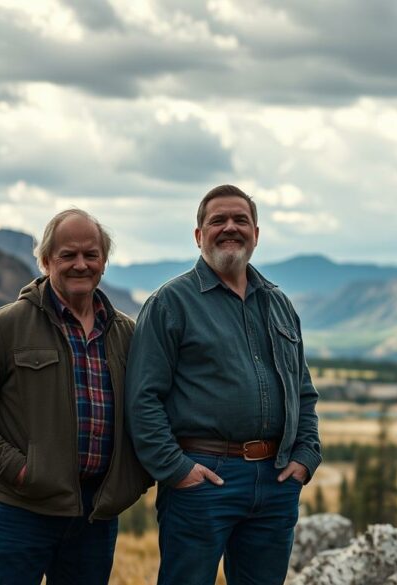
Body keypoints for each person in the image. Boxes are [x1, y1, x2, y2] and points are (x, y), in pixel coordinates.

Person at [0, 209, 152, 585]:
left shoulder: (127, 334)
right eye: (68, 255)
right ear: (46, 260)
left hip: (96, 516)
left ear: (104, 261)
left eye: (91, 254)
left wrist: (135, 479)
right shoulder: (6, 326)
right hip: (24, 510)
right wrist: (19, 470)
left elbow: (150, 410)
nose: (80, 264)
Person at [126, 184, 321, 585]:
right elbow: (143, 399)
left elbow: (302, 390)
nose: (230, 228)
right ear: (199, 236)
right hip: (203, 479)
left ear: (256, 234)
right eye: (218, 220)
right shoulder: (170, 303)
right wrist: (177, 470)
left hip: (276, 479)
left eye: (240, 220)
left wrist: (305, 455)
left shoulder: (279, 303)